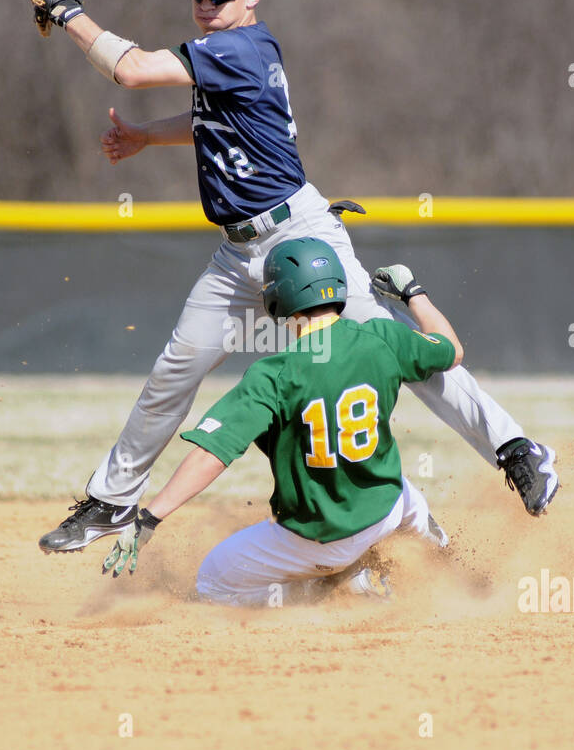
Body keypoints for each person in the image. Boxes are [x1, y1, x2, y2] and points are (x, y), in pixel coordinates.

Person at [25, 0, 558, 555]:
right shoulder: (228, 52)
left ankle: (516, 447)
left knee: (393, 344)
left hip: (299, 237)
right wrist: (146, 136)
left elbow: (132, 68)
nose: (205, 3)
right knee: (176, 368)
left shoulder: (240, 46)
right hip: (237, 254)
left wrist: (68, 13)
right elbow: (213, 122)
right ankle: (113, 502)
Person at [100, 238, 456, 605]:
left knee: (211, 583)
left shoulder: (272, 374)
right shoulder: (384, 337)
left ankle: (322, 590)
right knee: (406, 496)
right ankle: (445, 557)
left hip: (318, 542)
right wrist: (413, 293)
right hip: (383, 509)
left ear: (277, 299)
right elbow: (451, 348)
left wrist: (149, 519)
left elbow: (213, 454)